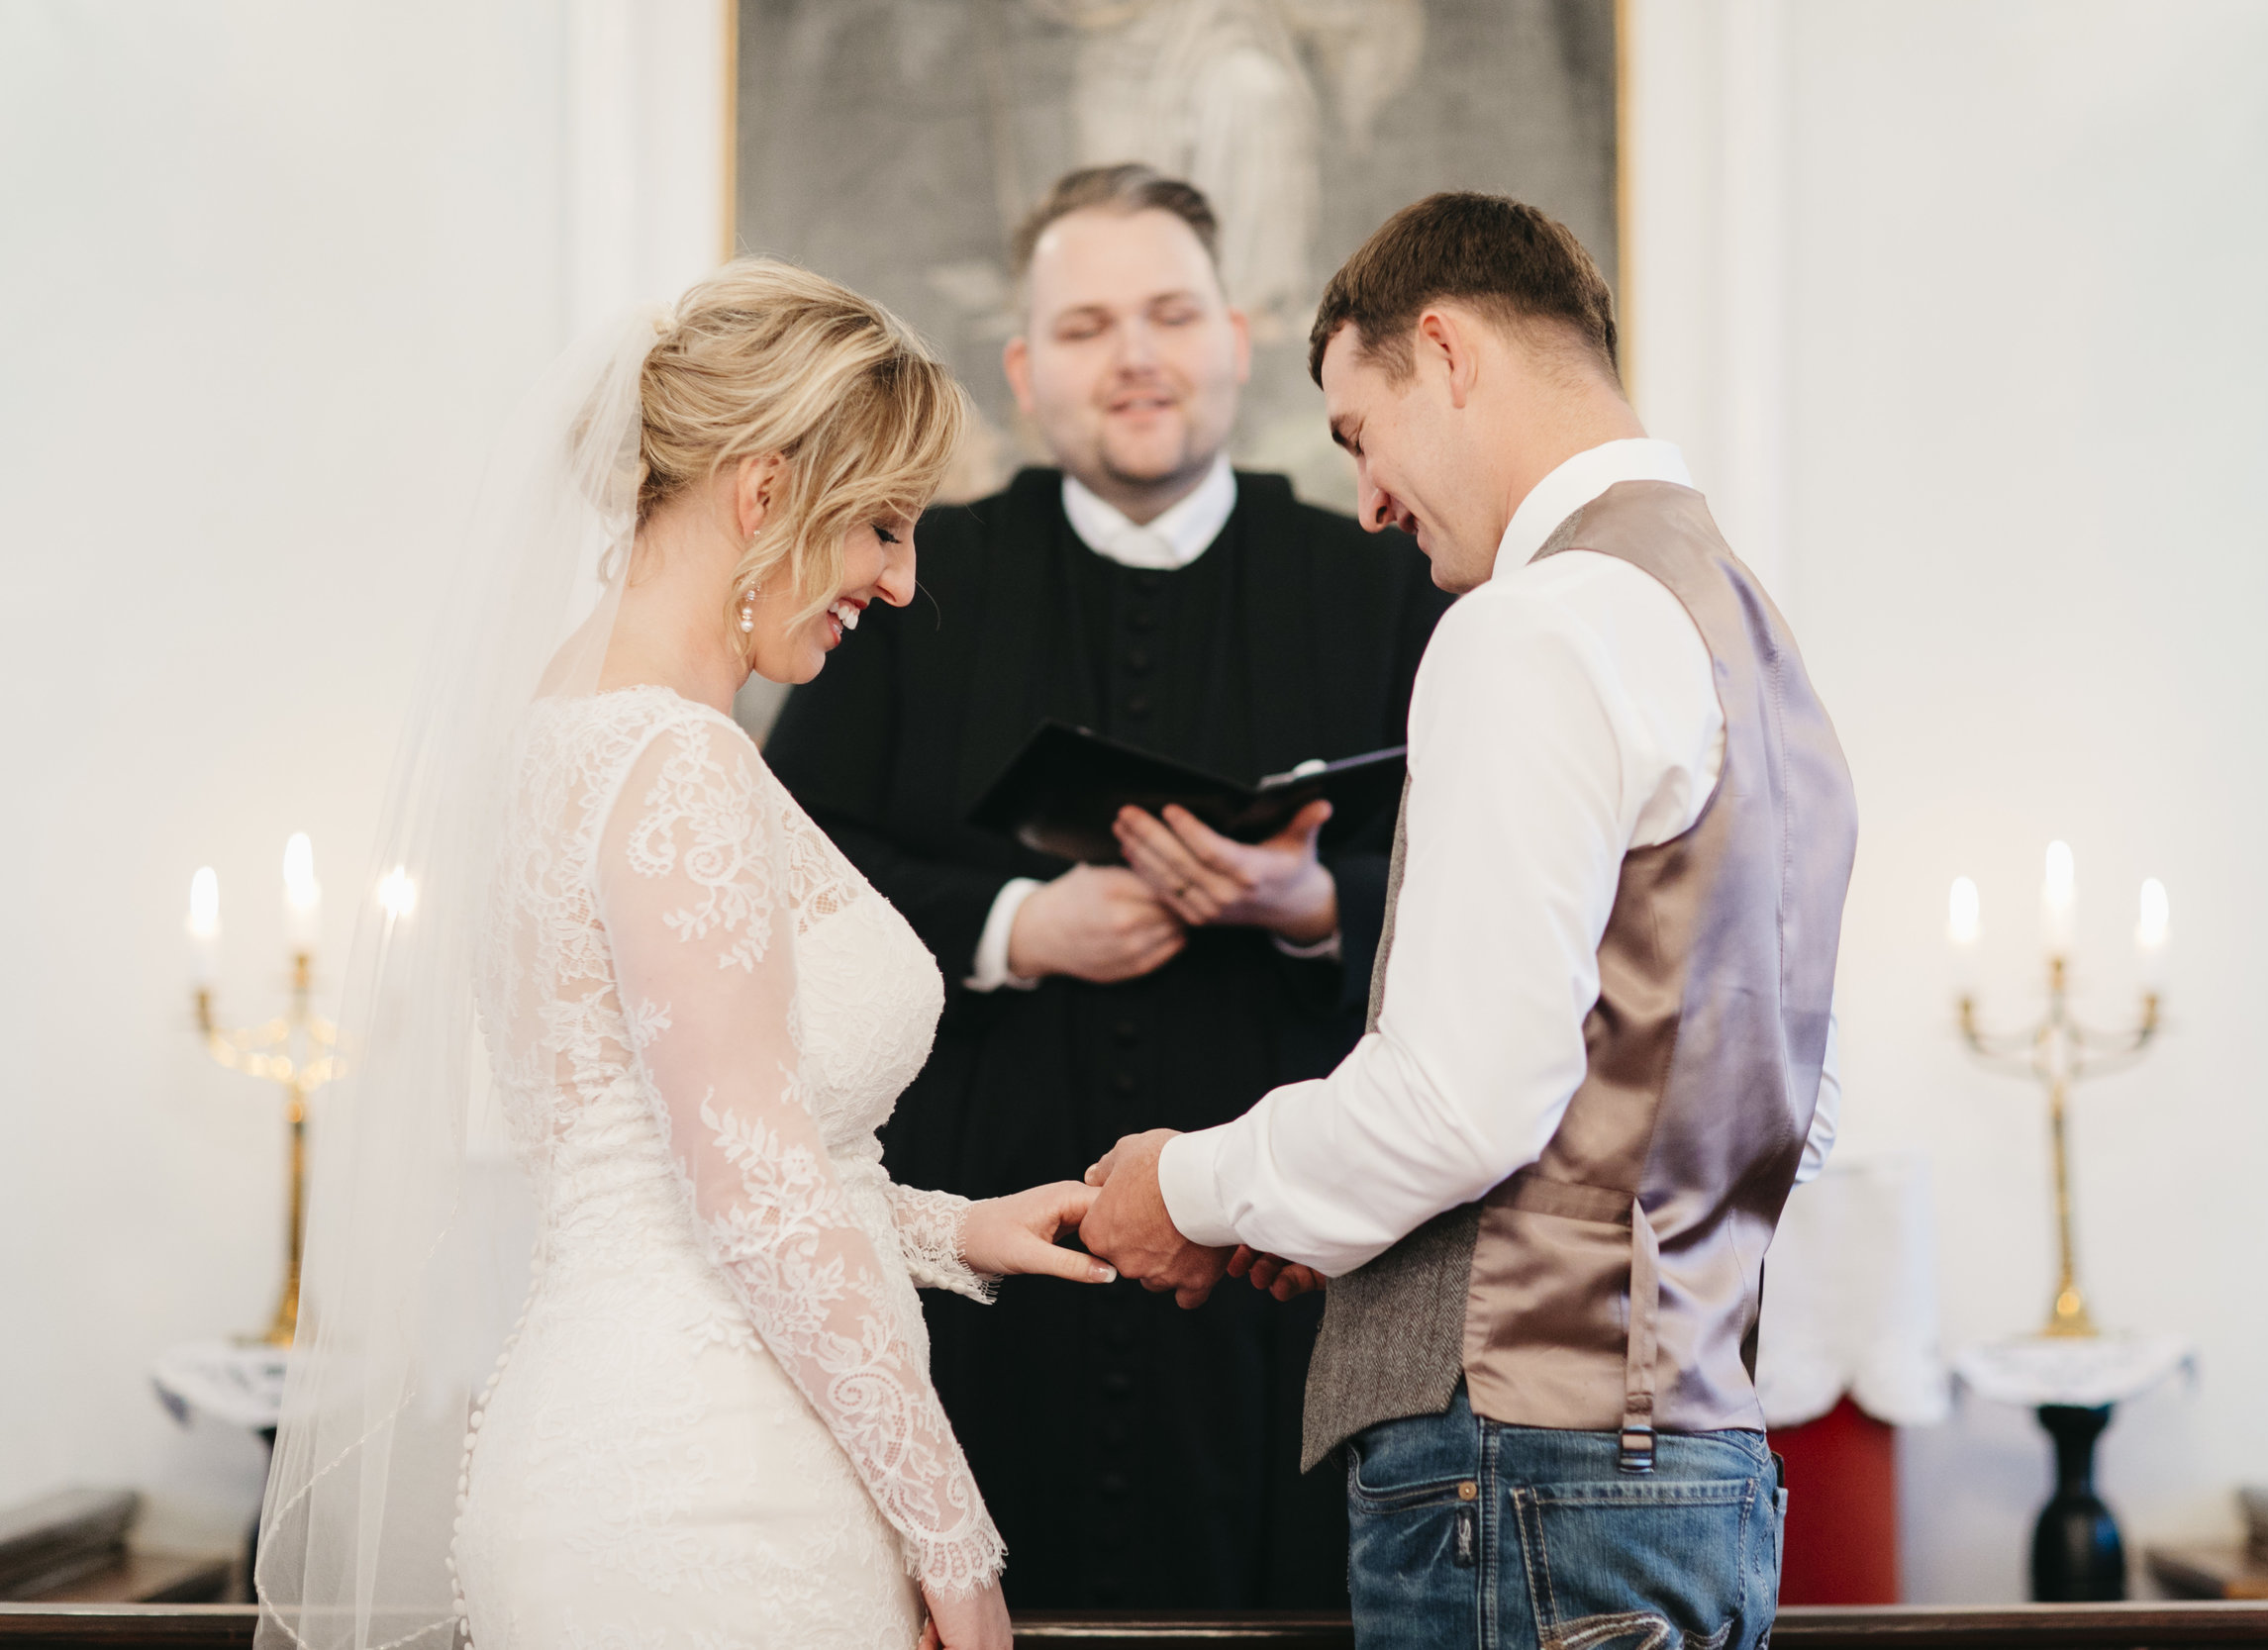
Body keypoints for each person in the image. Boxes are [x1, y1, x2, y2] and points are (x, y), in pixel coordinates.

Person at [257, 261, 1120, 1650]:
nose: (901, 584)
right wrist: (957, 1548)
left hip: (653, 1449)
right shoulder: (674, 763)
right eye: (884, 528)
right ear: (765, 493)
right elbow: (758, 1198)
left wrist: (953, 1229)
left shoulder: (581, 723)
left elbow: (674, 1158)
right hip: (710, 1496)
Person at [1080, 194, 1856, 1649]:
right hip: (1694, 1462)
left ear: (1442, 350)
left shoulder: (1535, 622)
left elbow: (1460, 1103)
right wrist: (1342, 1223)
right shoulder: (1744, 629)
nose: (1370, 501)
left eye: (1357, 434)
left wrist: (1182, 1184)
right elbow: (1779, 1107)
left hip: (1525, 1475)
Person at [762, 164, 1451, 1609]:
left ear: (1237, 339)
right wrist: (1019, 925)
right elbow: (781, 853)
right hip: (982, 1239)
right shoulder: (908, 578)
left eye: (1168, 314)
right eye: (1083, 327)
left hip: (1282, 1266)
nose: (1133, 356)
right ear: (1023, 371)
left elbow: (1487, 882)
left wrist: (1313, 904)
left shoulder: (1381, 578)